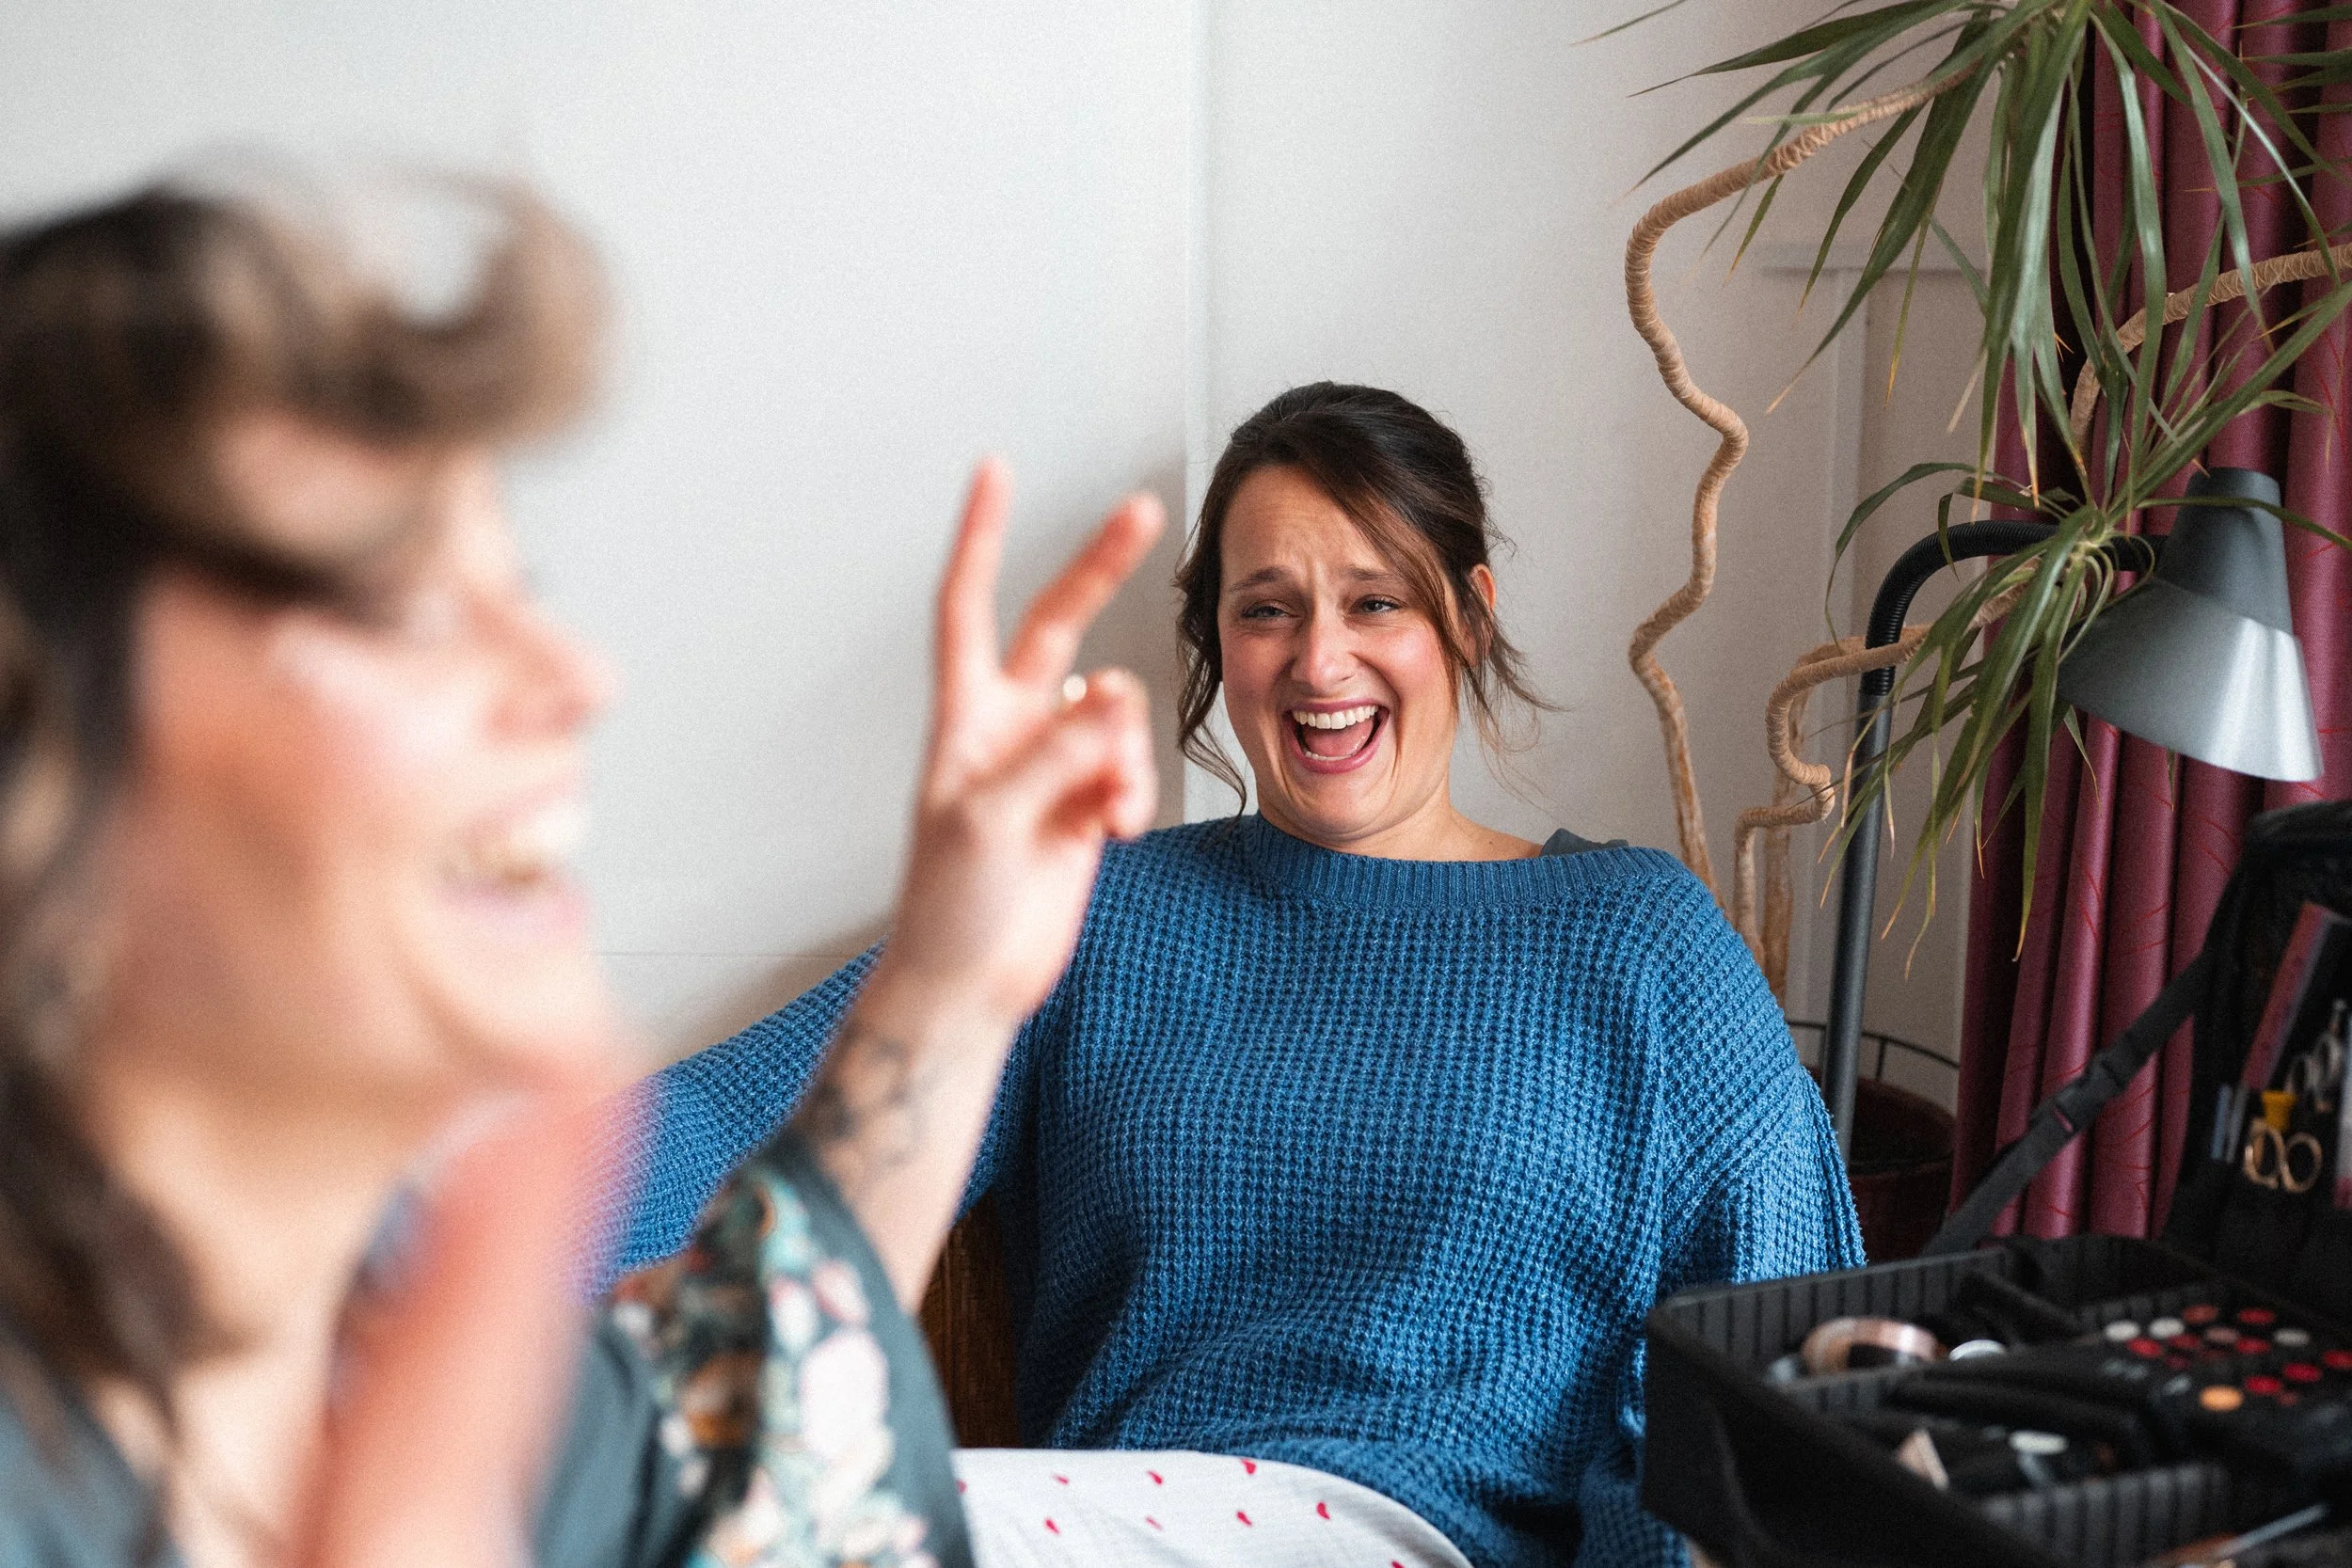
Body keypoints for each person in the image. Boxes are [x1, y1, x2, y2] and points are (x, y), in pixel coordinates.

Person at [0, 175, 1165, 1568]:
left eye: (523, 588)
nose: (574, 675)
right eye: (409, 608)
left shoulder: (458, 1384)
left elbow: (755, 1428)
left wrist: (957, 979)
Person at [614, 382, 1867, 1568]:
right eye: (1268, 608)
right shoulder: (1103, 903)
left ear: (1469, 618)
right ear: (1214, 637)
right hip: (1109, 1518)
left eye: (1376, 602)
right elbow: (751, 1115)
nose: (1320, 663)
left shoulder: (1637, 938)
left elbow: (1782, 1339)